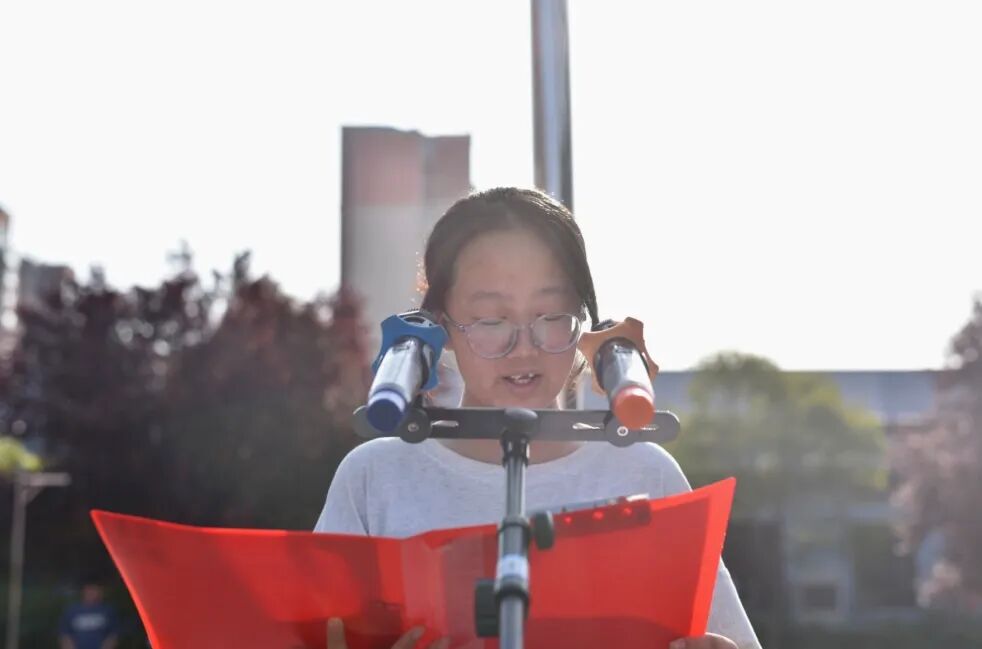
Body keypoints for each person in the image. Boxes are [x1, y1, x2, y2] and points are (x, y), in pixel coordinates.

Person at [316, 187, 761, 649]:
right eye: (491, 320)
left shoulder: (646, 475)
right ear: (440, 325)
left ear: (584, 320)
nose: (524, 347)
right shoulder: (376, 478)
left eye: (550, 316)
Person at [58, 577, 120, 649]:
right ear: (83, 591)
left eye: (94, 589)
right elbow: (65, 636)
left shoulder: (108, 611)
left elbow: (113, 636)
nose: (91, 592)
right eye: (89, 589)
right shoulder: (72, 611)